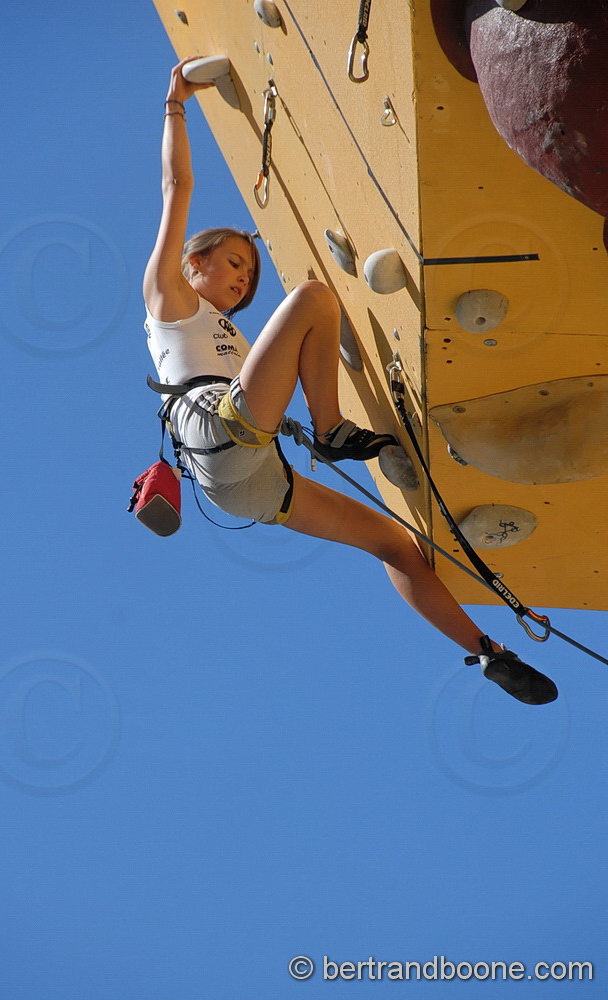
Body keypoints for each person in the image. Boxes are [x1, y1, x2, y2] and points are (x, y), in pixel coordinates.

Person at [142, 58, 558, 706]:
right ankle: (331, 427)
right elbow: (177, 186)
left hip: (251, 484)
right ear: (191, 263)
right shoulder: (166, 299)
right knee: (312, 298)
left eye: (247, 276)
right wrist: (176, 103)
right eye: (229, 264)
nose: (239, 280)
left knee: (392, 543)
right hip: (218, 433)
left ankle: (484, 651)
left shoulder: (237, 340)